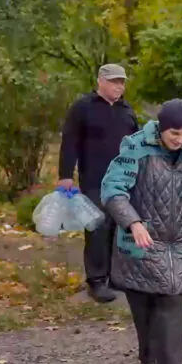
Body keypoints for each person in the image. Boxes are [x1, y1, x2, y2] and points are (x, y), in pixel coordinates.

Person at [100, 99, 182, 364]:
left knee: (172, 300)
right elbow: (112, 190)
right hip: (139, 240)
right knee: (142, 301)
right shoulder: (135, 147)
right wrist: (133, 223)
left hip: (176, 242)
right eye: (174, 133)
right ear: (162, 128)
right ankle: (147, 353)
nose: (180, 140)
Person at [58, 63, 140, 303]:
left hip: (124, 180)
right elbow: (69, 141)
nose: (119, 86)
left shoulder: (127, 110)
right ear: (100, 81)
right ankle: (96, 281)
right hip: (94, 179)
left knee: (120, 228)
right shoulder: (83, 107)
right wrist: (65, 176)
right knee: (97, 228)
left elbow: (136, 145)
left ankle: (116, 277)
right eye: (114, 81)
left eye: (122, 82)